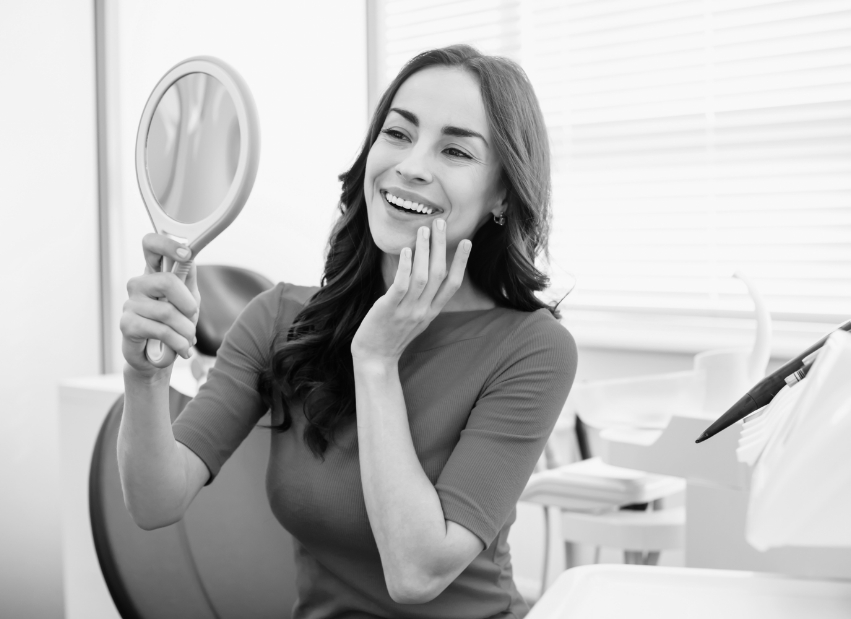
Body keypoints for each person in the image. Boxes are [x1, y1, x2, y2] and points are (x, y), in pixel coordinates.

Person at [119, 44, 578, 619]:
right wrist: (144, 377)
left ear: (503, 196)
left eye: (456, 149)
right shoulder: (278, 318)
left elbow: (417, 572)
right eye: (398, 133)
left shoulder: (533, 349)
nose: (412, 165)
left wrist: (377, 361)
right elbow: (154, 501)